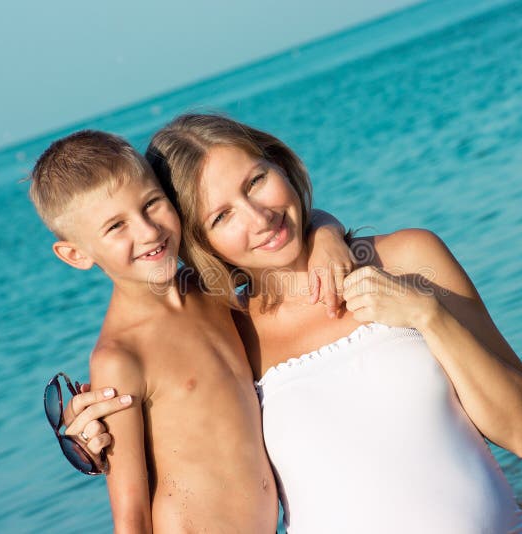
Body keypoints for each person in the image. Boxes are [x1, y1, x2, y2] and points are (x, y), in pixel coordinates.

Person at [63, 114, 522, 533]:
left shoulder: (410, 258)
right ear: (200, 241)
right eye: (223, 215)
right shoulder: (232, 333)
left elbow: (521, 432)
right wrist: (91, 441)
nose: (261, 217)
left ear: (281, 164)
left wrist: (427, 314)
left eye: (255, 181)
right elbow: (171, 443)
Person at [28, 130, 351, 533]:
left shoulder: (211, 288)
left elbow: (281, 239)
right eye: (116, 227)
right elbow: (130, 518)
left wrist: (326, 233)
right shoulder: (121, 357)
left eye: (152, 204)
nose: (148, 232)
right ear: (75, 254)